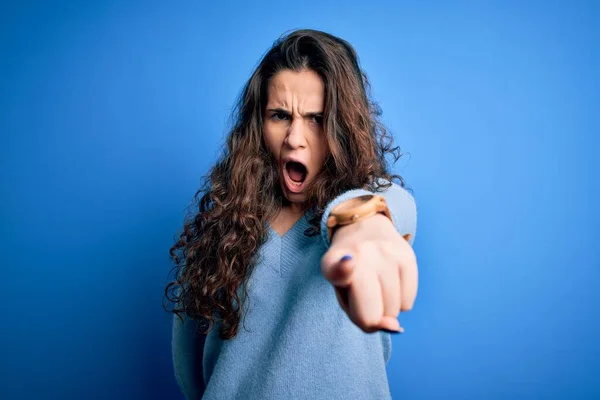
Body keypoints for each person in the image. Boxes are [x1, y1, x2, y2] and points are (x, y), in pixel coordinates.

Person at [164, 29, 419, 400]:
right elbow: (191, 373)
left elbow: (383, 208)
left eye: (316, 119)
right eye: (280, 116)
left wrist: (361, 227)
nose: (295, 138)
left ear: (342, 129)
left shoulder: (376, 201)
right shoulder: (218, 229)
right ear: (257, 124)